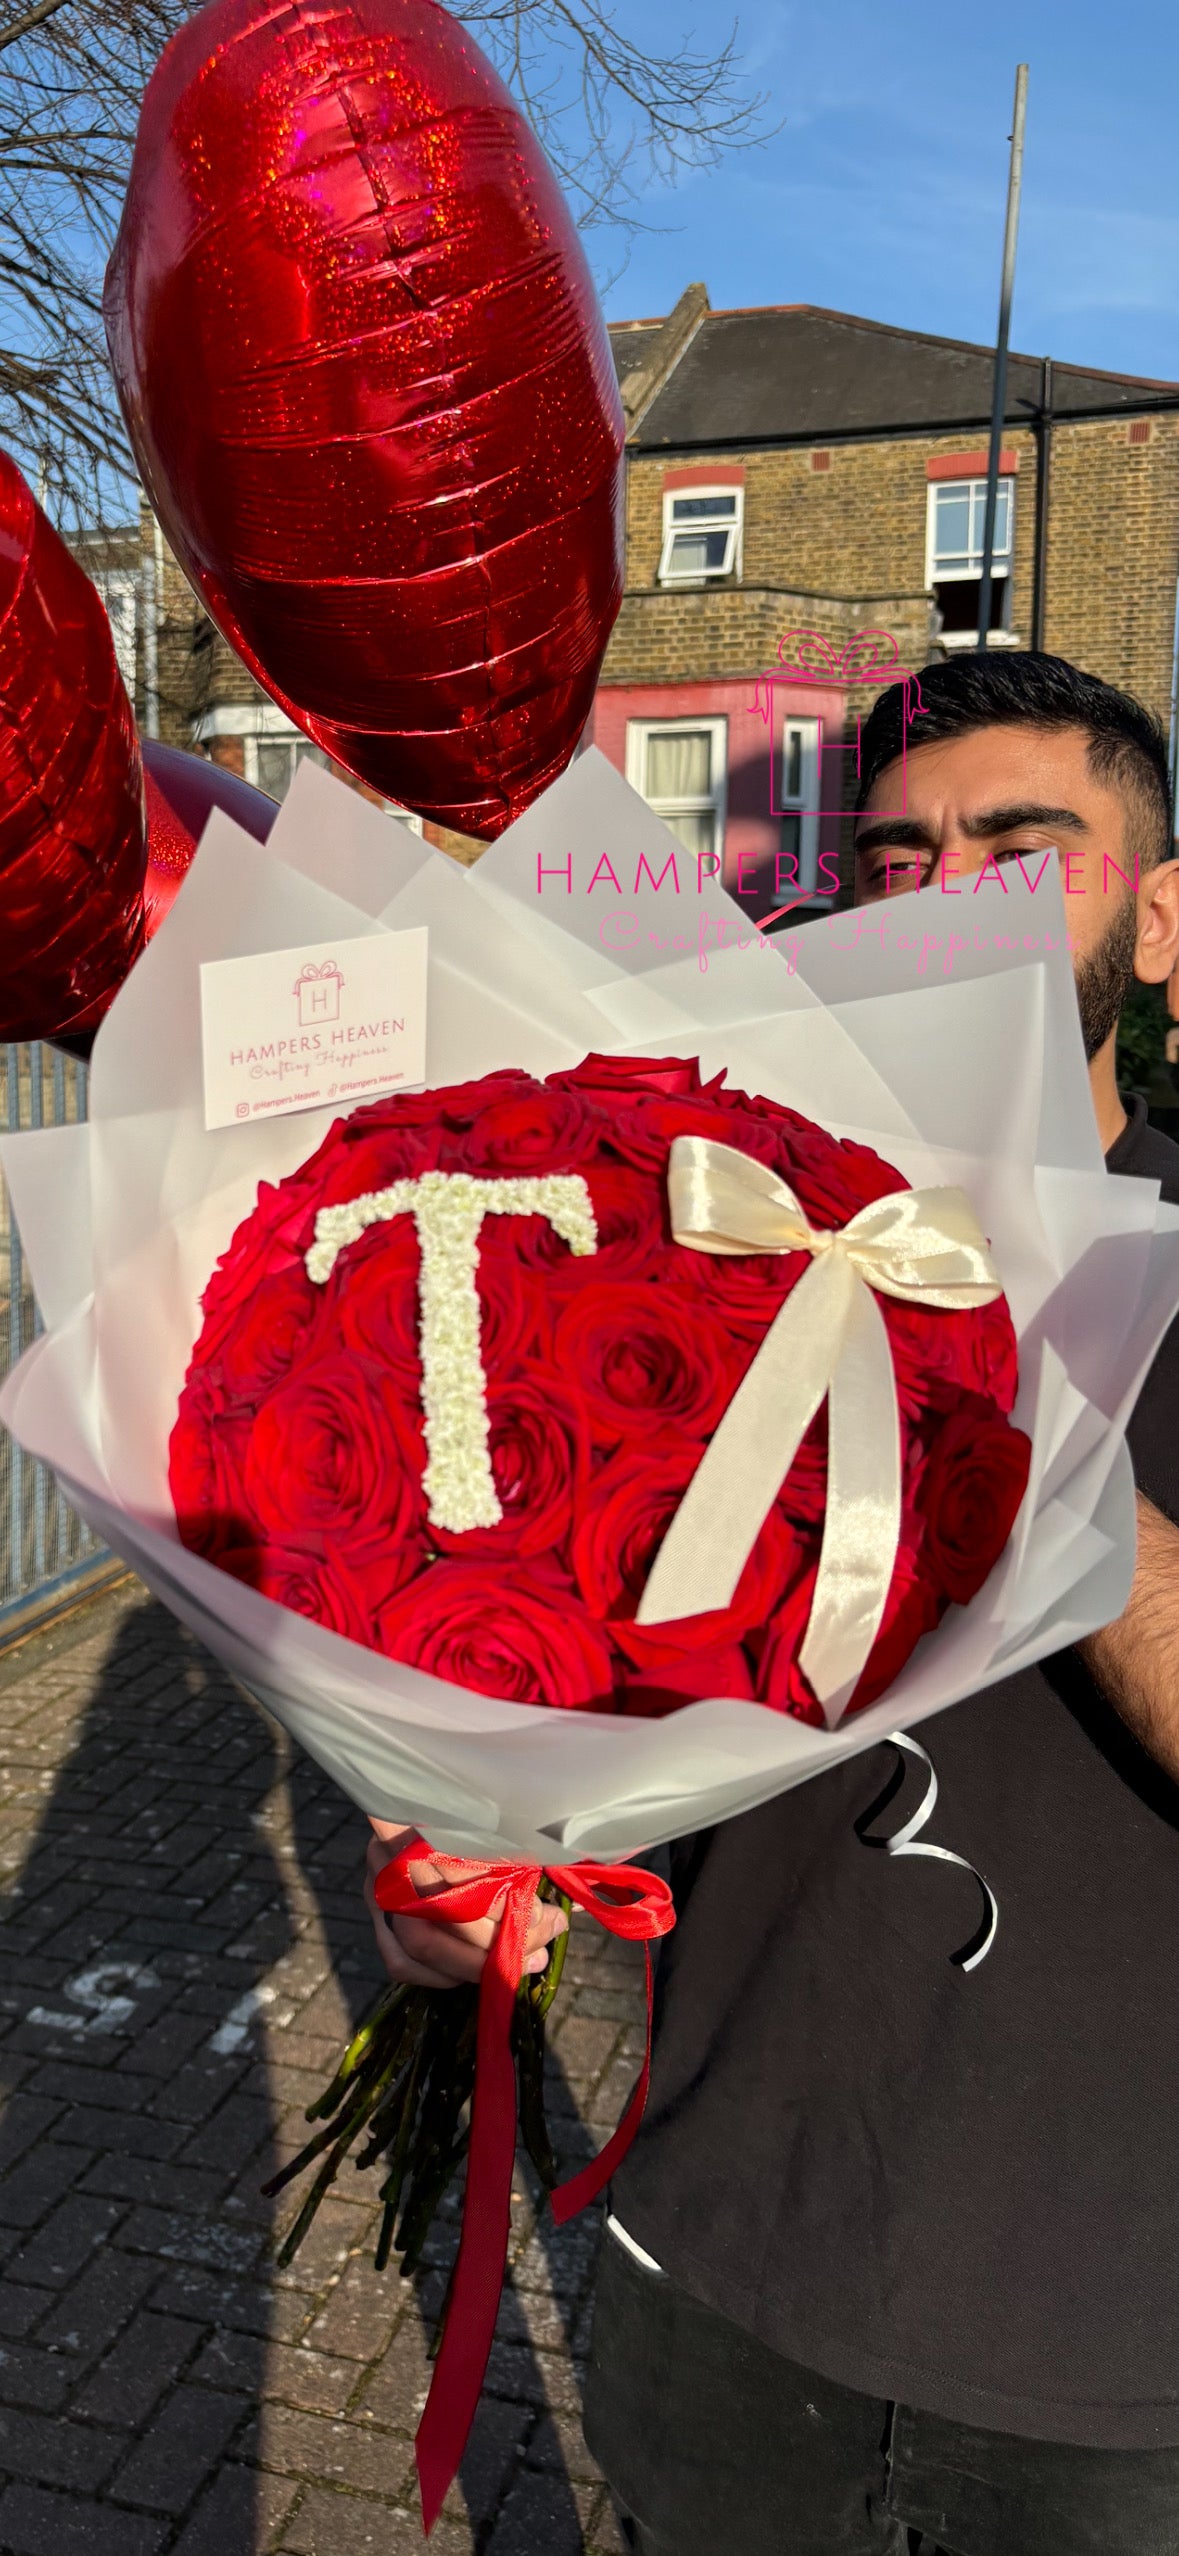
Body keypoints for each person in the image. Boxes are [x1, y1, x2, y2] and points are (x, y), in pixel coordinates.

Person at [366, 652, 1179, 2556]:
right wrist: (468, 1840)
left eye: (1018, 851)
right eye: (894, 859)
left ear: (1160, 925)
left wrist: (994, 1376)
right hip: (720, 2276)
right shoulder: (711, 1254)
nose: (942, 897)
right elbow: (555, 1645)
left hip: (1109, 2362)